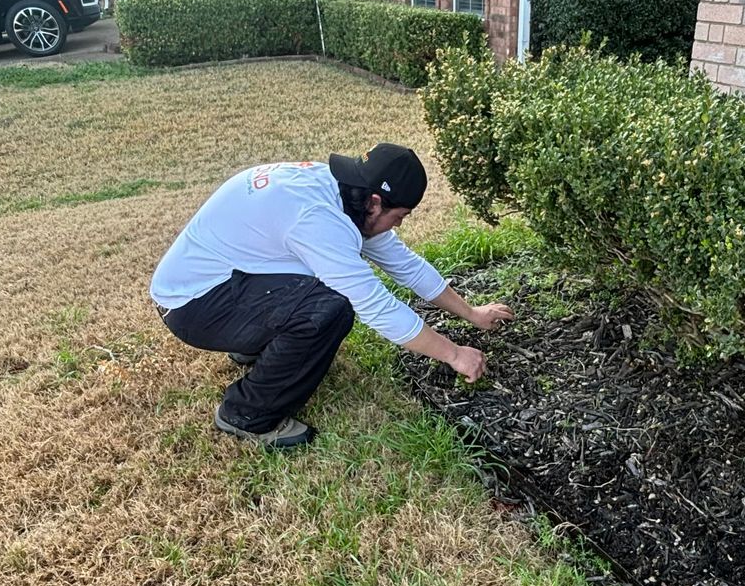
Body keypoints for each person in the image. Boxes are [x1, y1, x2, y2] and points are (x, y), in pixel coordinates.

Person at [150, 142, 514, 449]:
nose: (399, 225)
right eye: (400, 216)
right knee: (329, 308)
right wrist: (454, 354)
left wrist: (472, 314)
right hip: (194, 305)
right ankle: (247, 415)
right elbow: (376, 306)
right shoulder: (317, 219)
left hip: (227, 282)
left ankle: (256, 344)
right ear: (375, 203)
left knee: (327, 288)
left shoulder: (341, 193)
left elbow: (405, 265)